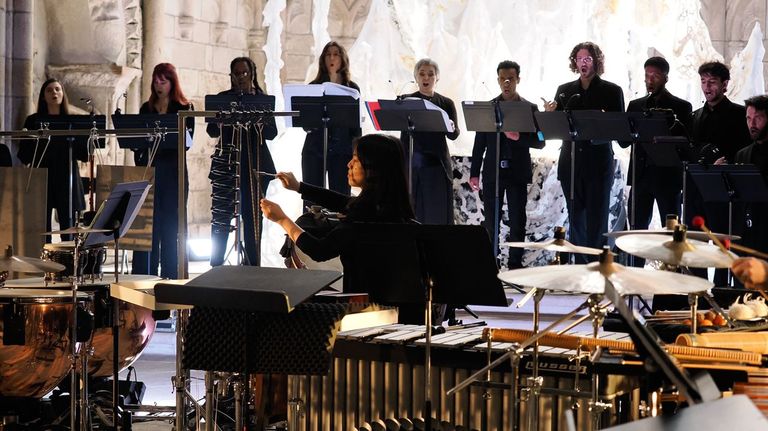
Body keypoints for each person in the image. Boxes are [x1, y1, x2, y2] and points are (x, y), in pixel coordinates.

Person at [261, 134, 424, 319]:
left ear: (373, 170)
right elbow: (343, 201)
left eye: (355, 160)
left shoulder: (360, 220)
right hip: (404, 310)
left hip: (366, 313)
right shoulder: (394, 209)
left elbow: (319, 250)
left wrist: (282, 220)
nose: (349, 165)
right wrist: (300, 187)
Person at [543, 42, 624, 263]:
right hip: (570, 163)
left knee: (597, 218)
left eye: (588, 59)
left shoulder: (612, 91)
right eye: (579, 59)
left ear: (596, 61)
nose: (583, 63)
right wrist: (550, 115)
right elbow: (555, 129)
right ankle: (579, 267)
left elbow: (621, 132)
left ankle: (596, 267)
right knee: (575, 217)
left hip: (598, 164)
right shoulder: (565, 90)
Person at [470, 60, 544, 269]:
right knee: (491, 220)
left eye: (511, 79)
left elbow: (541, 141)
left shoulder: (529, 108)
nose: (507, 83)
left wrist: (518, 137)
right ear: (498, 80)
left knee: (517, 220)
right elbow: (479, 144)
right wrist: (474, 173)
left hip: (517, 173)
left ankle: (514, 266)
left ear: (518, 80)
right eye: (503, 79)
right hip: (493, 172)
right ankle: (490, 265)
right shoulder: (488, 108)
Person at [207, 57, 278, 266]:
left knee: (253, 215)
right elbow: (211, 130)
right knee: (222, 213)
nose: (240, 77)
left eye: (244, 73)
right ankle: (216, 263)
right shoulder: (222, 99)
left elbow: (272, 133)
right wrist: (223, 117)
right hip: (227, 163)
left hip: (255, 163)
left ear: (252, 74)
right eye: (236, 73)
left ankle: (253, 264)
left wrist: (258, 119)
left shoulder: (262, 100)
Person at [687, 61, 750, 286]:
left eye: (712, 82)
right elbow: (689, 149)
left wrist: (726, 162)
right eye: (703, 82)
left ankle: (723, 292)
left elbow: (744, 149)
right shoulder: (695, 116)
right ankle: (699, 291)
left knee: (723, 245)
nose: (706, 87)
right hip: (697, 192)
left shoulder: (739, 114)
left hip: (725, 191)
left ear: (725, 85)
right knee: (695, 245)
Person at [130, 63, 194, 279]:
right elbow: (137, 142)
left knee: (171, 228)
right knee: (150, 227)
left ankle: (170, 277)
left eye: (163, 81)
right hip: (150, 174)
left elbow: (187, 143)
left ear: (172, 83)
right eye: (156, 80)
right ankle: (145, 277)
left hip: (174, 175)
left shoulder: (185, 109)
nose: (158, 85)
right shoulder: (145, 109)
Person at [625, 57, 692, 233]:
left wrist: (672, 123)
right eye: (647, 75)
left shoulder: (681, 107)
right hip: (640, 176)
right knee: (636, 230)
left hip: (668, 177)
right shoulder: (635, 105)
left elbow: (687, 143)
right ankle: (634, 262)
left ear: (666, 78)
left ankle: (671, 262)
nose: (650, 80)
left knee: (671, 231)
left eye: (655, 76)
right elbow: (624, 141)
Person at [17, 78, 88, 239]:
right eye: (49, 90)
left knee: (68, 228)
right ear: (43, 96)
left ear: (63, 94)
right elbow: (24, 155)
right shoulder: (33, 121)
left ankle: (68, 262)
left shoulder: (73, 121)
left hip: (67, 176)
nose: (54, 93)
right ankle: (42, 262)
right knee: (42, 228)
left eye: (58, 89)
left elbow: (83, 154)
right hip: (42, 177)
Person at [400, 58, 459, 225]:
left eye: (431, 74)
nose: (426, 78)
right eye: (422, 74)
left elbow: (454, 135)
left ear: (437, 78)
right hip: (412, 164)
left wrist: (451, 127)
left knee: (436, 213)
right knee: (411, 211)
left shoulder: (446, 103)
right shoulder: (406, 101)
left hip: (437, 164)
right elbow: (402, 135)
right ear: (416, 77)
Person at [301, 41, 362, 196]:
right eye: (328, 54)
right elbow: (306, 124)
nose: (332, 58)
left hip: (342, 150)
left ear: (342, 59)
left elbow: (355, 126)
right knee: (312, 196)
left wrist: (356, 151)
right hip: (315, 148)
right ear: (323, 59)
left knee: (340, 196)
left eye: (336, 54)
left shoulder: (352, 88)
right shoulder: (313, 86)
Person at [733, 95, 768, 256]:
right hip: (748, 233)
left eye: (758, 118)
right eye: (748, 118)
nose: (752, 125)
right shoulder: (742, 154)